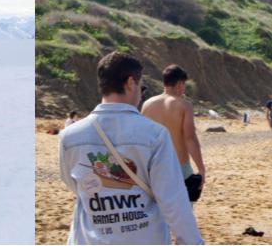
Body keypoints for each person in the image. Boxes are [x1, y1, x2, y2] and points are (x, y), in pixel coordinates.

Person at [59, 52, 203, 244]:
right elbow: (173, 200)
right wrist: (193, 242)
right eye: (141, 87)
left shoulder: (69, 136)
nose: (140, 93)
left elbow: (73, 184)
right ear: (129, 83)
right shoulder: (155, 135)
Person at [142, 65, 207, 195]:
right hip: (179, 166)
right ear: (179, 83)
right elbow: (190, 138)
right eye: (184, 84)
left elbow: (143, 138)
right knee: (183, 209)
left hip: (154, 166)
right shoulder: (183, 105)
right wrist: (201, 168)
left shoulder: (147, 104)